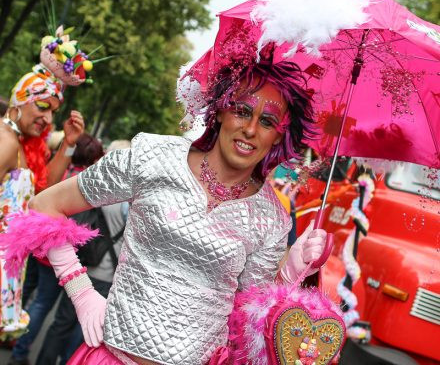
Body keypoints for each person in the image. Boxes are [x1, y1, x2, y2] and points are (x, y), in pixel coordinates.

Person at [0, 58, 328, 365]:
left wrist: (291, 272)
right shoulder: (152, 157)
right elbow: (44, 205)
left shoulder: (271, 218)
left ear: (279, 135)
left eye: (268, 121)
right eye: (242, 111)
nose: (251, 129)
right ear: (219, 112)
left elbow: (249, 319)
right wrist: (82, 293)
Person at [0, 68, 84, 348]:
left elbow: (41, 191)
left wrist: (68, 145)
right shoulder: (6, 141)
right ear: (19, 99)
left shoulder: (18, 142)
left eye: (53, 112)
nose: (48, 118)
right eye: (42, 106)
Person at [36, 140, 128, 365]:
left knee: (61, 323)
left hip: (85, 266)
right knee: (88, 332)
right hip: (106, 275)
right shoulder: (129, 199)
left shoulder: (97, 189)